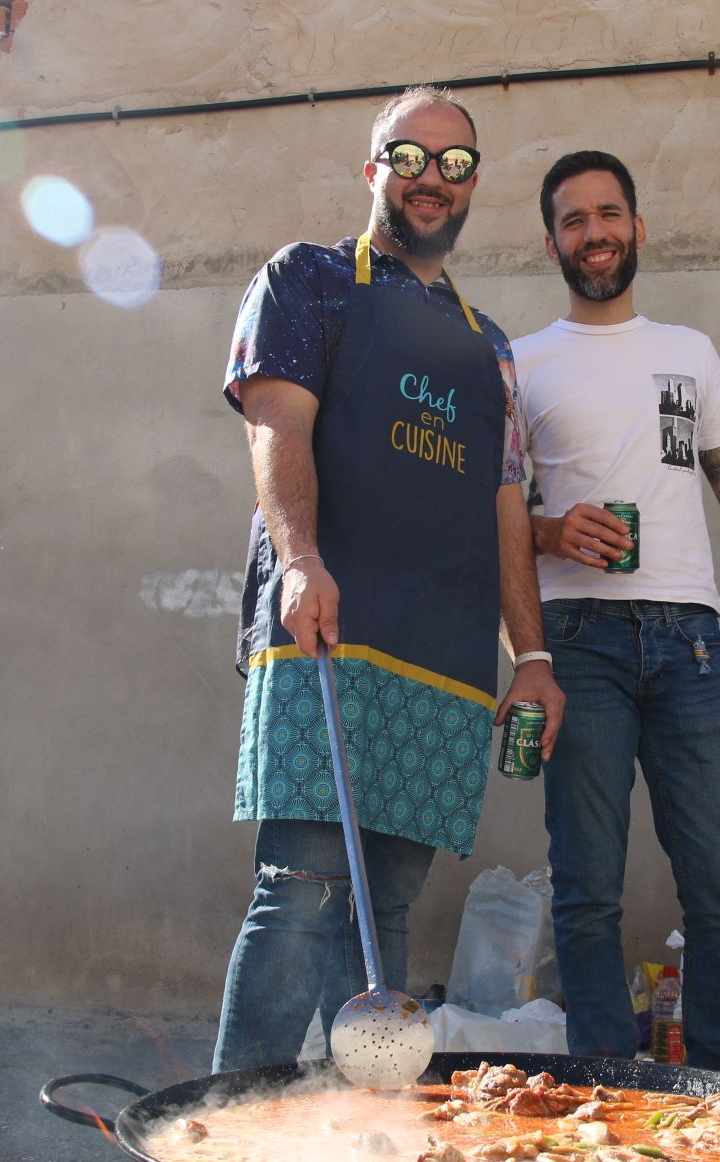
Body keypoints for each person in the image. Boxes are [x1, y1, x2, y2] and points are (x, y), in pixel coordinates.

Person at [213, 87, 564, 1073]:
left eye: (455, 164)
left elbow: (504, 506)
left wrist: (530, 656)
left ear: (473, 186)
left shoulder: (489, 346)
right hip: (327, 628)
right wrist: (300, 559)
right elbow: (275, 424)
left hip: (442, 666)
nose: (430, 179)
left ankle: (357, 1148)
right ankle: (232, 1141)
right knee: (303, 886)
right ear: (375, 170)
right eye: (410, 157)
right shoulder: (310, 280)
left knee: (387, 909)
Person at [514, 150, 720, 1076]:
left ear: (638, 227)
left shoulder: (689, 352)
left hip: (690, 640)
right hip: (577, 645)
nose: (595, 234)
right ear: (553, 242)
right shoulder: (521, 364)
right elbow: (484, 521)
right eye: (574, 220)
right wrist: (552, 530)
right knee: (587, 891)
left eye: (609, 215)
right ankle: (606, 1087)